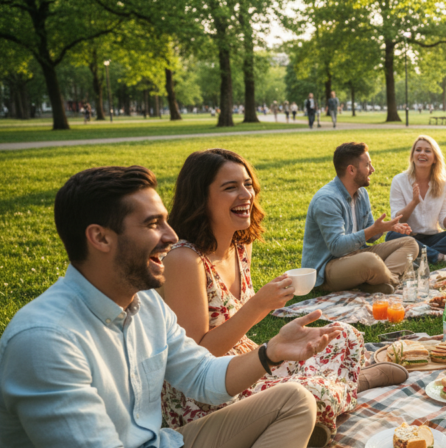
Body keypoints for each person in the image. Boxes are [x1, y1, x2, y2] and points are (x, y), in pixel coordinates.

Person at [0, 166, 344, 448]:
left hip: (167, 442)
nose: (170, 235)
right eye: (153, 224)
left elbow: (201, 376)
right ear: (101, 238)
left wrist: (270, 353)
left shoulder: (146, 302)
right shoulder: (45, 341)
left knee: (295, 400)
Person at [159, 149, 408, 447]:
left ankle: (336, 391)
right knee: (305, 393)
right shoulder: (184, 260)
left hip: (246, 359)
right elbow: (196, 360)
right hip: (209, 393)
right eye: (230, 187)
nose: (245, 194)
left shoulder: (240, 245)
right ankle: (351, 384)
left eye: (248, 184)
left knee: (343, 335)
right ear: (200, 197)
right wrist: (258, 307)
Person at [302, 142, 419, 294]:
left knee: (410, 244)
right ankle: (390, 279)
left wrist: (385, 228)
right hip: (328, 269)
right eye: (368, 165)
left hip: (357, 257)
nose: (372, 170)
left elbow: (371, 237)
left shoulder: (361, 193)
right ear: (351, 169)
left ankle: (379, 281)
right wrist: (372, 230)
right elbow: (337, 247)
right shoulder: (327, 200)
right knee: (370, 260)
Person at [385, 135, 446, 264]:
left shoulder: (443, 183)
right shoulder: (399, 180)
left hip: (434, 238)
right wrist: (414, 202)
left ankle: (418, 256)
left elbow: (445, 223)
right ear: (412, 156)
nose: (422, 153)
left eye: (427, 151)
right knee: (392, 236)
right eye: (418, 150)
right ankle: (441, 257)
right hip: (409, 237)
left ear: (434, 159)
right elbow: (397, 220)